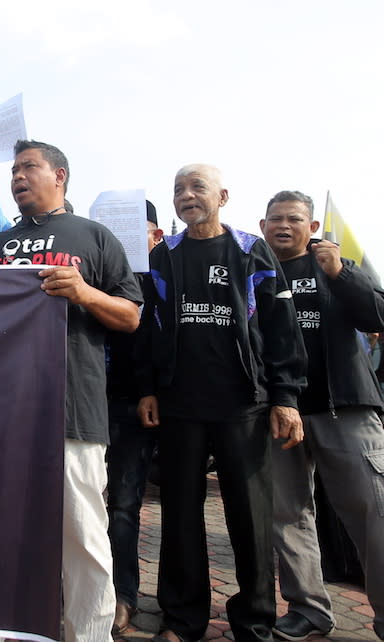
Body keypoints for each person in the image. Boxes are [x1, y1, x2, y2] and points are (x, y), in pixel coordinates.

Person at [0, 140, 141, 642]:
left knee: (83, 537)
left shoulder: (94, 236)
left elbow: (131, 316)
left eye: (29, 167)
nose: (18, 176)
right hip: (3, 413)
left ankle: (88, 634)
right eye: (14, 170)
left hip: (74, 410)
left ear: (59, 175)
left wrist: (83, 291)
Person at [135, 165, 306, 642]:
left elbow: (281, 328)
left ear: (222, 196)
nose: (186, 196)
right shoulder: (164, 256)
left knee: (250, 520)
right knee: (181, 515)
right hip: (180, 407)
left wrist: (285, 397)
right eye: (178, 190)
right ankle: (183, 619)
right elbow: (151, 329)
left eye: (197, 188)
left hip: (243, 407)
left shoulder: (252, 252)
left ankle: (254, 622)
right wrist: (149, 387)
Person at [259, 190, 384, 641]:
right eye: (276, 219)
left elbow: (377, 314)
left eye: (294, 219)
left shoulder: (336, 266)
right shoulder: (256, 271)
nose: (284, 226)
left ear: (312, 227)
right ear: (262, 225)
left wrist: (341, 273)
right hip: (278, 411)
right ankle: (308, 608)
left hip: (343, 407)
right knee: (288, 514)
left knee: (373, 510)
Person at [105, 200, 165, 635]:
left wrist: (149, 391)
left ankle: (123, 595)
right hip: (80, 404)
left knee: (123, 507)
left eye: (132, 229)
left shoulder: (160, 281)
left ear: (155, 236)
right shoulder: (93, 271)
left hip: (132, 406)